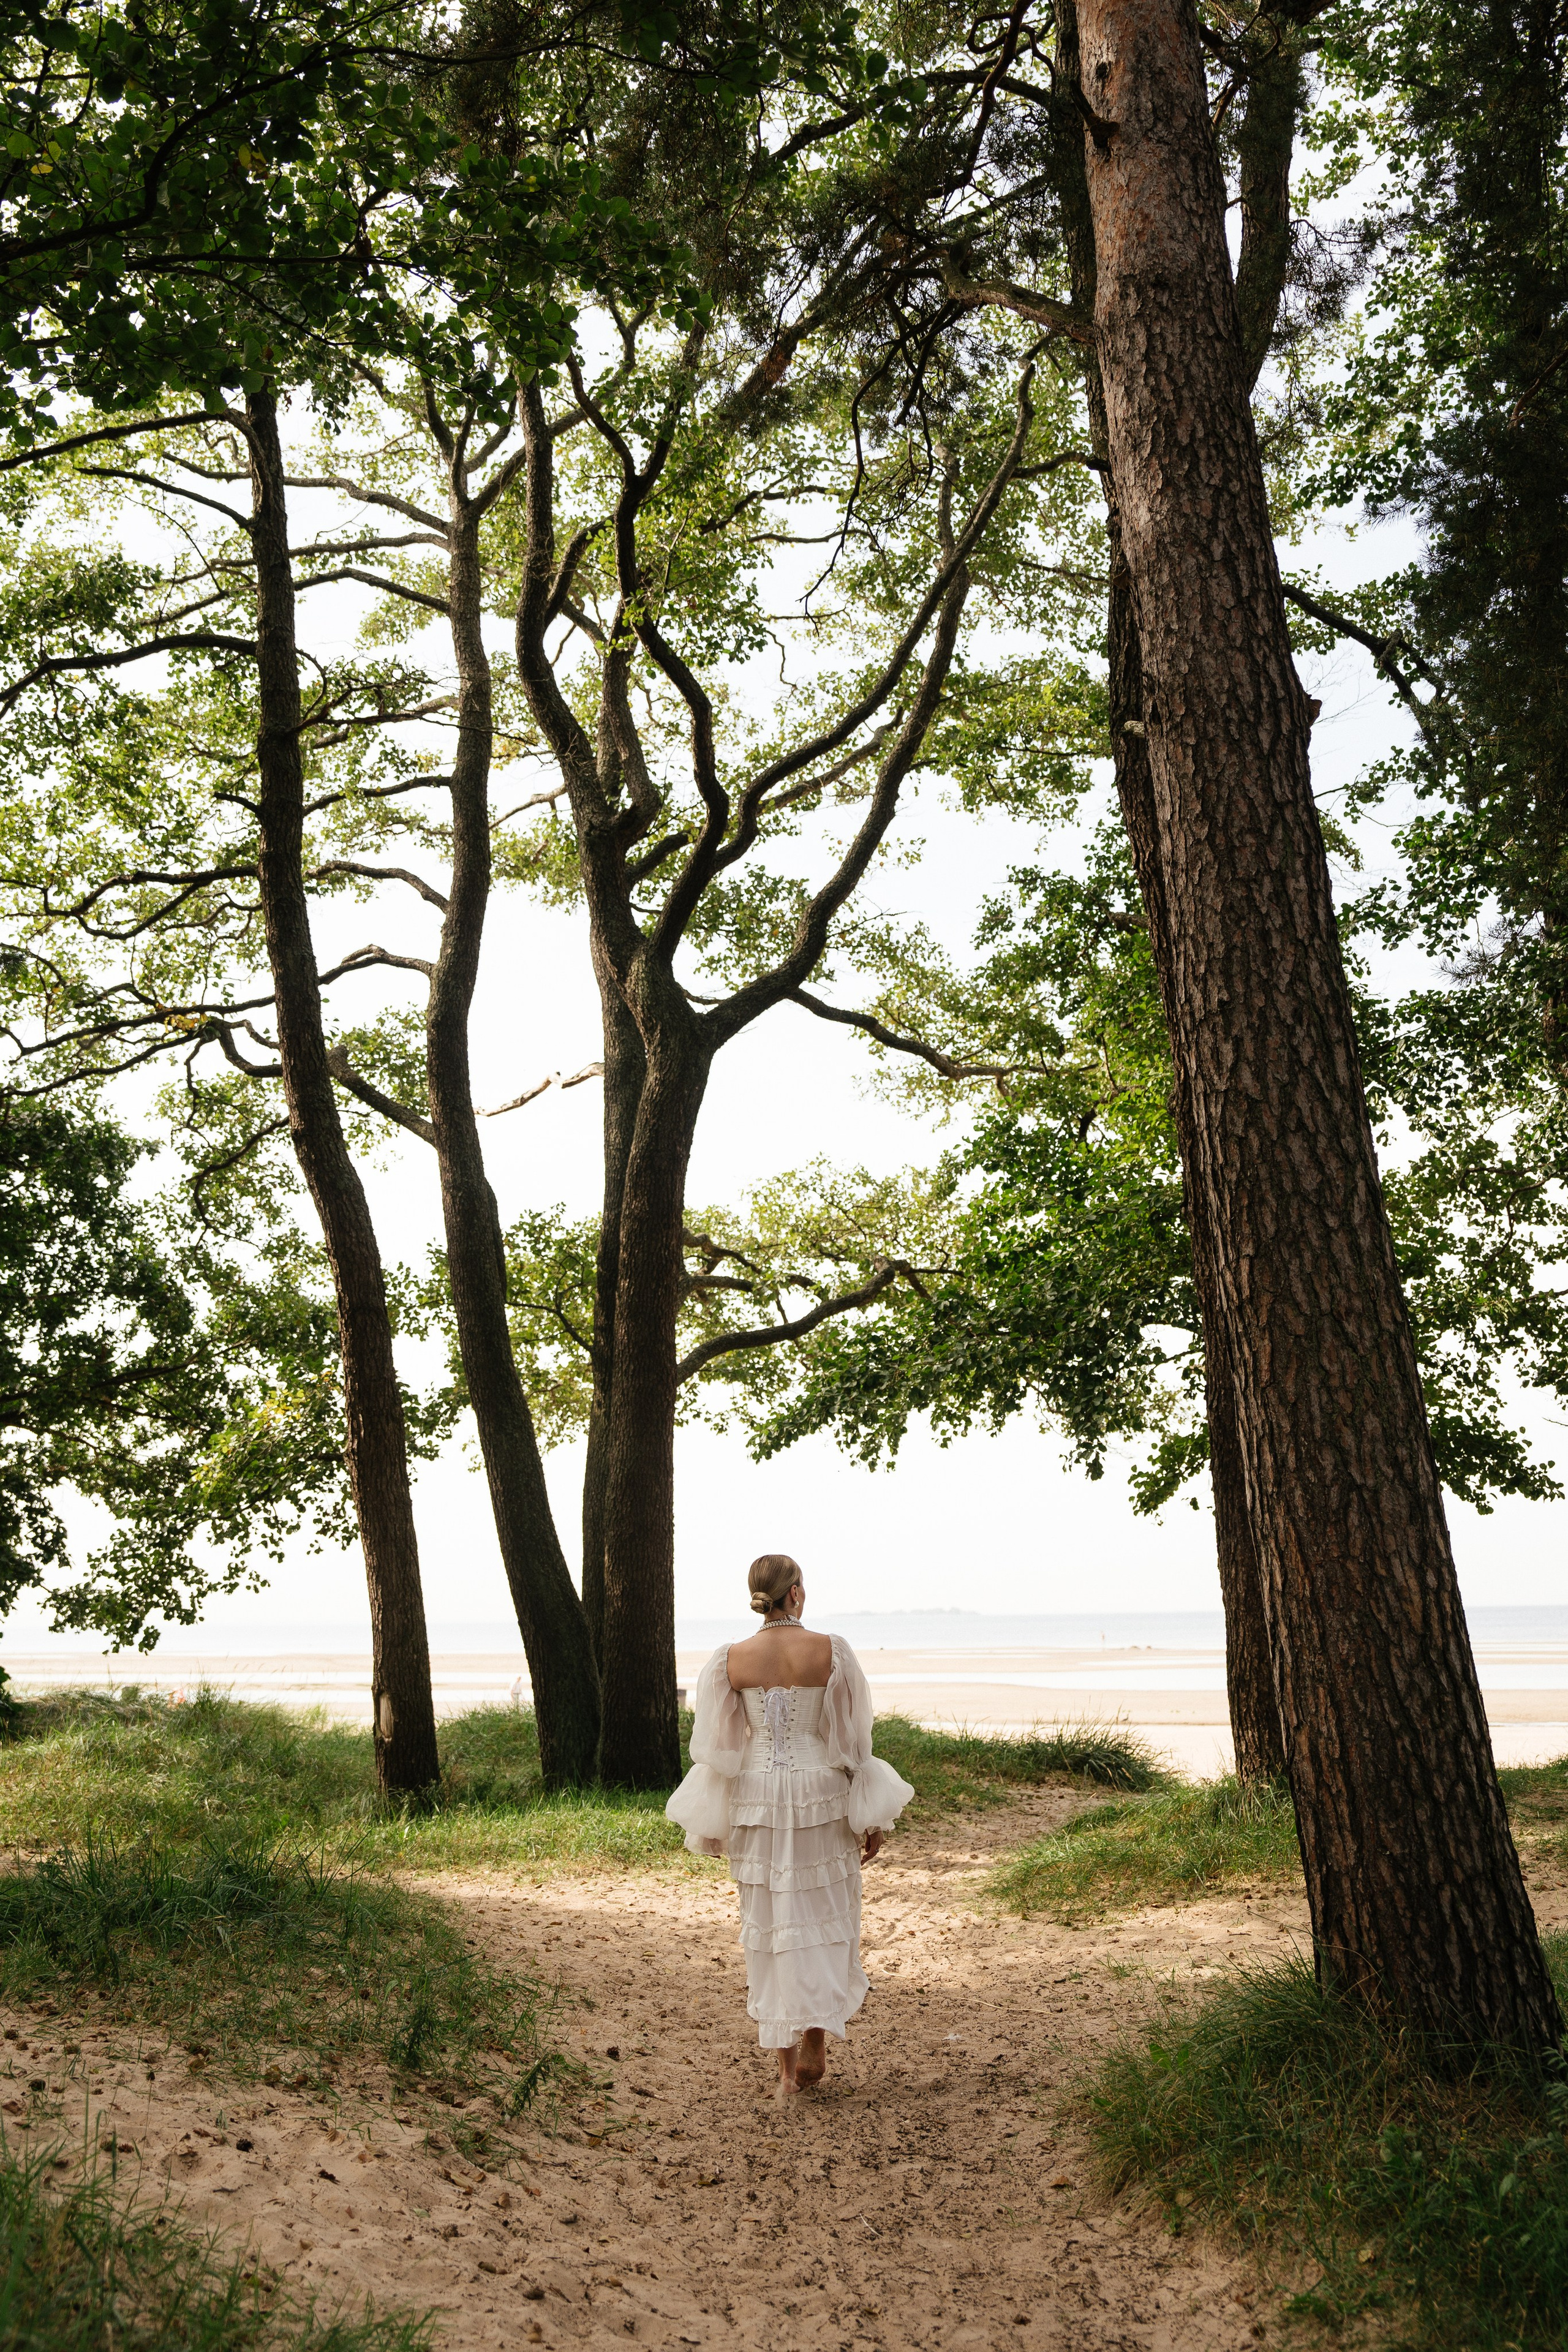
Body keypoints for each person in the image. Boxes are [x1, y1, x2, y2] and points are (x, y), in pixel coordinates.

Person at [666, 1552, 914, 2093]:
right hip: (819, 1791)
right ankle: (817, 2040)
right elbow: (852, 1741)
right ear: (796, 1594)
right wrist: (870, 1814)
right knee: (825, 1909)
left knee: (769, 1920)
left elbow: (719, 1748)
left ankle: (784, 2068)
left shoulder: (730, 1658)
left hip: (756, 1793)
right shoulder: (832, 1651)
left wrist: (717, 1814)